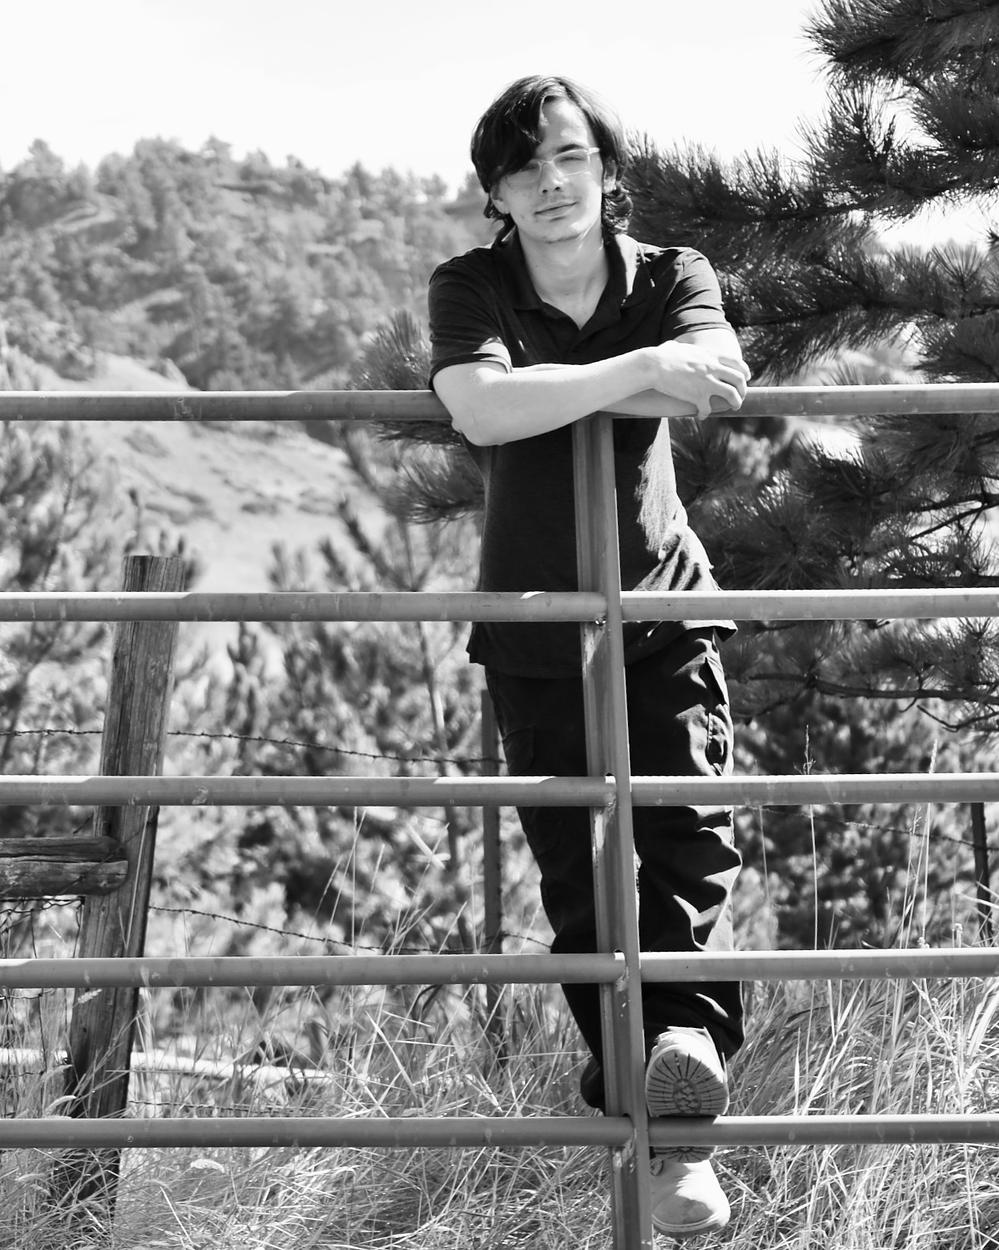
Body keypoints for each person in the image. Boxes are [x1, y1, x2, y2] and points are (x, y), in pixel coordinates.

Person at [427, 75, 748, 1239]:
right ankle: (655, 1122)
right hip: (533, 623)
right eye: (524, 168)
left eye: (570, 156)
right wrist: (633, 372)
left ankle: (684, 1088)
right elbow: (482, 410)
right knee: (582, 881)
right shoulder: (471, 286)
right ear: (496, 194)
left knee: (689, 841)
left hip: (663, 606)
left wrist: (573, 383)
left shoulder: (670, 273)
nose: (552, 182)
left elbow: (719, 374)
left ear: (608, 168)